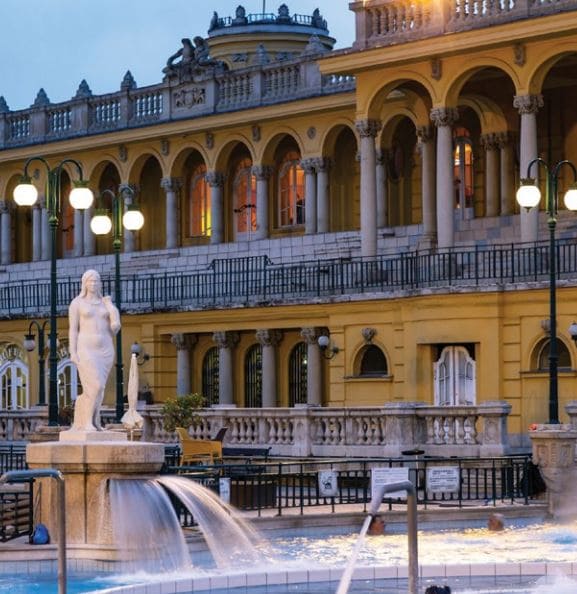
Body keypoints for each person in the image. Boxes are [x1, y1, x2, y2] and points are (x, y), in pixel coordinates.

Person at [68, 269, 120, 432]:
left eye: (96, 281)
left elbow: (115, 327)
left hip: (105, 349)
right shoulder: (77, 303)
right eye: (90, 281)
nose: (94, 284)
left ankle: (94, 421)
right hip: (86, 348)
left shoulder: (106, 304)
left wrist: (111, 307)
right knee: (95, 386)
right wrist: (73, 352)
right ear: (84, 283)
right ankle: (86, 423)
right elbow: (73, 329)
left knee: (100, 388)